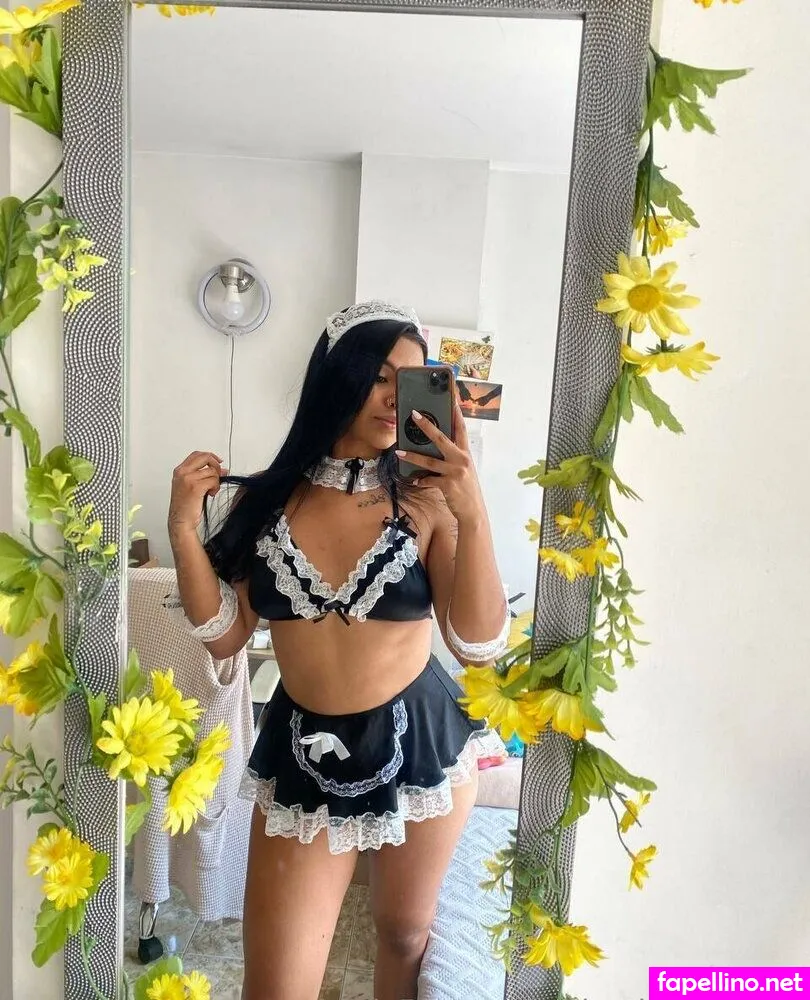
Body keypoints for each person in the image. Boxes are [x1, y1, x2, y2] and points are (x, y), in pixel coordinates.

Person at [166, 301, 510, 1000]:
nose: (393, 398)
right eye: (377, 376)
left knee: (404, 938)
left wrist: (471, 511)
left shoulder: (430, 503)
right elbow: (227, 633)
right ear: (336, 377)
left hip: (423, 747)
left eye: (409, 381)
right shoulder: (267, 502)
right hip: (303, 753)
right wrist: (180, 530)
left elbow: (478, 646)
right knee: (275, 987)